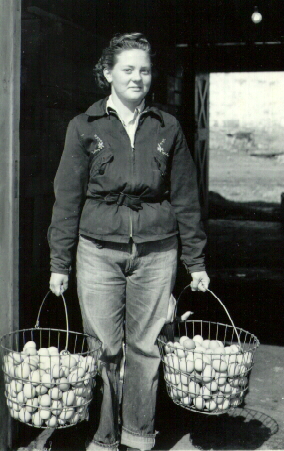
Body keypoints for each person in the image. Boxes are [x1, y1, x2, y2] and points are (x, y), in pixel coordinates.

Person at [48, 32, 210, 451]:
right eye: (128, 69)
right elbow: (67, 197)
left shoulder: (167, 126)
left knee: (146, 347)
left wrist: (196, 261)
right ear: (108, 74)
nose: (138, 77)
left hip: (157, 249)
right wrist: (59, 263)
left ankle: (138, 436)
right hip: (98, 250)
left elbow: (187, 196)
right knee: (103, 348)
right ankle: (103, 438)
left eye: (145, 70)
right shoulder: (84, 126)